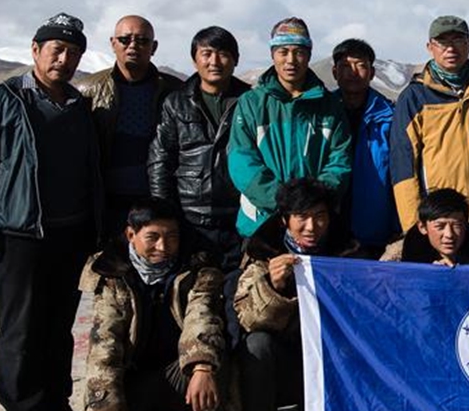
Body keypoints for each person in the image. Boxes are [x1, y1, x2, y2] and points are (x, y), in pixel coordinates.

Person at [0, 12, 102, 411]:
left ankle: (56, 404)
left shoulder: (79, 105)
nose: (64, 59)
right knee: (20, 327)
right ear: (36, 50)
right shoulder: (2, 99)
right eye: (56, 49)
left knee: (59, 325)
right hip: (19, 230)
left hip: (71, 231)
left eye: (73, 52)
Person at [78, 199, 232, 411]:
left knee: (212, 359)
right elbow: (104, 344)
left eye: (171, 237)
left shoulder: (199, 265)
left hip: (181, 373)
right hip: (137, 379)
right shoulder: (112, 273)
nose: (163, 246)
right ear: (130, 235)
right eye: (153, 237)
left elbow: (202, 318)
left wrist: (201, 367)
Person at [232, 178, 362, 411]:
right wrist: (274, 287)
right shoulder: (262, 254)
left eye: (320, 217)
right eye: (301, 218)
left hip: (331, 360)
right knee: (256, 345)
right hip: (287, 364)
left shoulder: (349, 253)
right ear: (284, 220)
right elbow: (248, 319)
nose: (311, 227)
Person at [389, 15, 469, 259]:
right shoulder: (414, 98)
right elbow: (403, 166)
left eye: (458, 40)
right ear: (430, 47)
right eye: (442, 42)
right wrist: (415, 227)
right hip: (441, 226)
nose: (450, 48)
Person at [228, 17, 353, 238]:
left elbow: (340, 159)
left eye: (299, 52)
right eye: (283, 51)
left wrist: (310, 204)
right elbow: (241, 161)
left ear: (309, 55)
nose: (291, 60)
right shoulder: (251, 103)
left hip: (313, 227)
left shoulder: (330, 105)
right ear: (272, 54)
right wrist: (283, 202)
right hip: (262, 223)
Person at [148, 26, 251, 270]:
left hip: (237, 219)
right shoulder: (176, 102)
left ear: (235, 60)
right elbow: (161, 161)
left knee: (234, 295)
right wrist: (166, 216)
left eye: (223, 53)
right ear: (195, 59)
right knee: (191, 295)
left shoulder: (250, 101)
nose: (214, 61)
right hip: (190, 218)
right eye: (206, 53)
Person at [81, 15, 182, 234]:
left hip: (157, 200)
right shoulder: (88, 89)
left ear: (153, 47)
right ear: (113, 43)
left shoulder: (175, 91)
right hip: (104, 202)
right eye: (125, 39)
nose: (133, 45)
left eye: (142, 40)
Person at [330, 38, 398, 255]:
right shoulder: (321, 114)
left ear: (372, 72)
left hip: (375, 227)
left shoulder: (391, 116)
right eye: (345, 66)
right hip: (328, 226)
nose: (353, 73)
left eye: (360, 66)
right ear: (334, 72)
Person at [380, 188, 469, 265]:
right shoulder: (409, 252)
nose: (449, 235)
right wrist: (431, 276)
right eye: (440, 226)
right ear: (423, 227)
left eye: (457, 225)